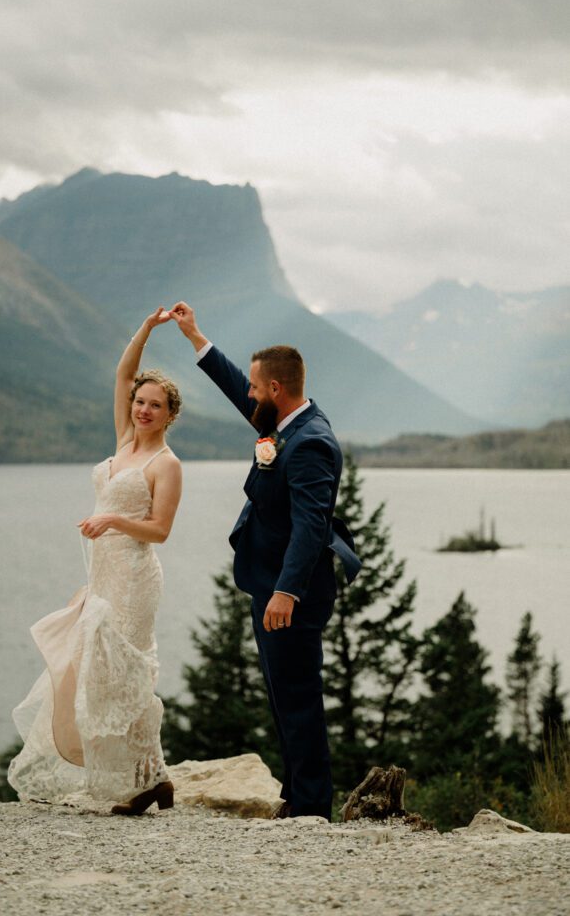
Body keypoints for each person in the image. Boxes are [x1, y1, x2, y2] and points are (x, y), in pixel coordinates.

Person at [170, 301, 345, 821]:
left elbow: (313, 525)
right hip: (268, 586)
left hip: (290, 595)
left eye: (254, 385)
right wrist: (195, 337)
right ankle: (296, 798)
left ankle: (312, 809)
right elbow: (234, 389)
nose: (248, 392)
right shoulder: (285, 421)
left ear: (274, 389)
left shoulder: (311, 442)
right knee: (283, 699)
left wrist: (286, 592)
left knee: (298, 700)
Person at [8, 307, 183, 815]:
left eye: (155, 405)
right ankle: (153, 779)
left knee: (125, 675)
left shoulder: (165, 465)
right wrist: (147, 328)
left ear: (171, 414)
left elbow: (162, 531)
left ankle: (143, 781)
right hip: (103, 574)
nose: (144, 409)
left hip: (134, 576)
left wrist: (113, 523)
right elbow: (123, 374)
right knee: (98, 674)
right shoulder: (124, 443)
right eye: (140, 402)